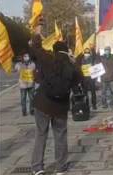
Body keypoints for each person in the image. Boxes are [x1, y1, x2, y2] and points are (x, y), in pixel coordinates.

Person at [29, 34, 82, 175]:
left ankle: (37, 167)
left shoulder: (48, 59)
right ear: (67, 51)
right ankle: (60, 167)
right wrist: (74, 62)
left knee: (41, 134)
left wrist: (36, 37)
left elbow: (37, 50)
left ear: (54, 50)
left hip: (43, 104)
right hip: (60, 107)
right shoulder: (71, 65)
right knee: (60, 136)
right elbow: (79, 79)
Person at [14, 51, 36, 116]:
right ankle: (24, 111)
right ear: (23, 57)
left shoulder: (32, 64)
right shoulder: (19, 64)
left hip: (30, 83)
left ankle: (32, 110)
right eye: (25, 56)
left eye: (27, 56)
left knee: (31, 98)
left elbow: (34, 73)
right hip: (22, 84)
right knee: (23, 99)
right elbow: (16, 71)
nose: (26, 57)